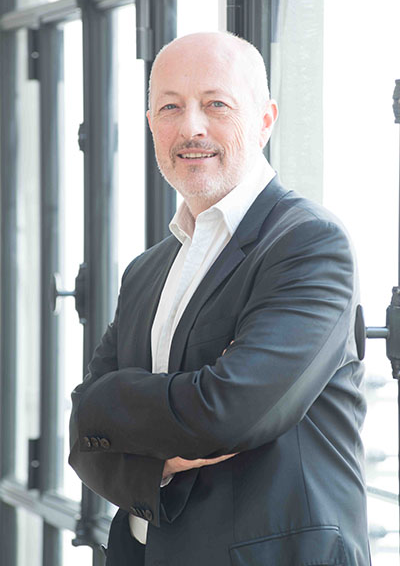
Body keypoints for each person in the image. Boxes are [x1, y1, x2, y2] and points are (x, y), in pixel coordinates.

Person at [69, 31, 371, 565]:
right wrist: (153, 457)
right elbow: (82, 434)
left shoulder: (308, 243)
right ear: (151, 126)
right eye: (170, 107)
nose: (191, 127)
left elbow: (226, 413)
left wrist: (107, 407)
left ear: (265, 120)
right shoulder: (146, 270)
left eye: (216, 104)